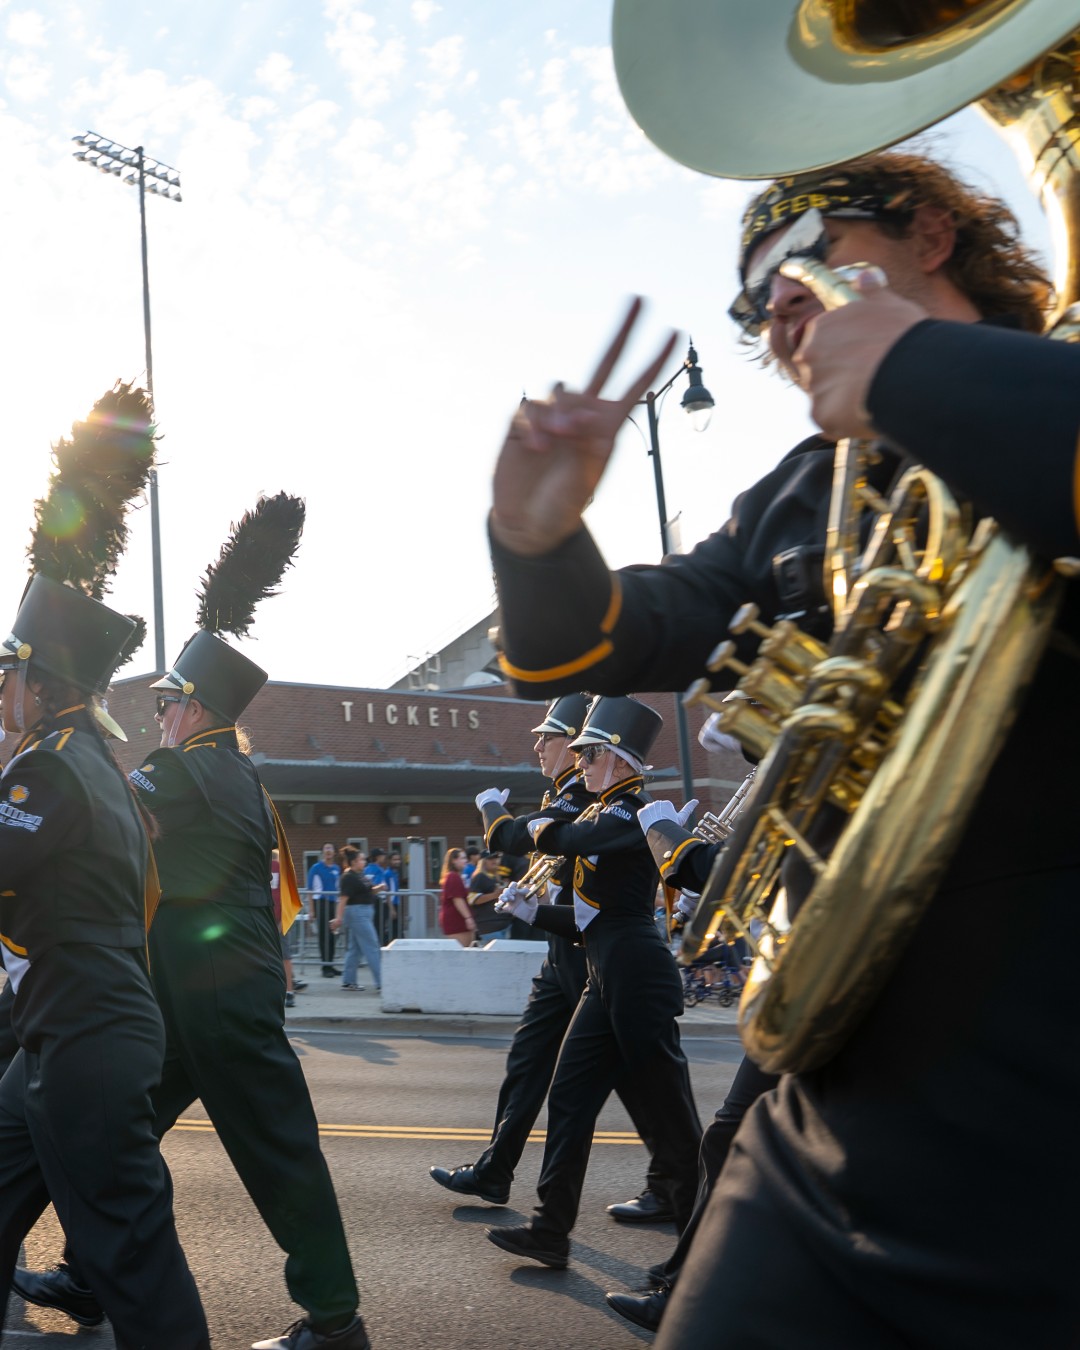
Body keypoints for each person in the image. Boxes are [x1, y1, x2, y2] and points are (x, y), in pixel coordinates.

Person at [487, 150, 1080, 1345]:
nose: (781, 306)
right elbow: (609, 637)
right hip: (840, 1094)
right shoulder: (810, 488)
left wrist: (917, 370)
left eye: (811, 255)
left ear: (929, 233)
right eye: (757, 301)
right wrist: (536, 536)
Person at [0, 575, 210, 1350]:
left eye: (8, 673)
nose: (0, 689)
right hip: (63, 1024)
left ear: (40, 683)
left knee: (133, 1257)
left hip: (85, 1029)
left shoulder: (51, 768)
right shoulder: (84, 760)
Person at [485, 696, 702, 1269]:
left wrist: (522, 823)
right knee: (569, 1097)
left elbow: (569, 841)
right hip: (604, 972)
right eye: (578, 752)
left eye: (589, 752)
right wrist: (534, 913)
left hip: (637, 974)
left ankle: (699, 1264)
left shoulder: (632, 811)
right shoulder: (601, 810)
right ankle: (549, 1230)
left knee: (672, 1123)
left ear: (620, 760)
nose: (579, 761)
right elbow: (587, 917)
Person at [332, 846, 382, 992]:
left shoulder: (360, 875)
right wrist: (338, 918)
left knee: (355, 949)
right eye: (361, 859)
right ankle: (382, 982)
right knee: (372, 946)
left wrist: (380, 888)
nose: (364, 861)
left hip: (363, 912)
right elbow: (343, 899)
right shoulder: (348, 877)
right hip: (357, 913)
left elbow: (370, 890)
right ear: (354, 861)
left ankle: (348, 981)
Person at [308, 843, 341, 977]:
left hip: (333, 904)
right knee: (324, 936)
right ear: (322, 852)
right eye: (325, 848)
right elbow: (310, 889)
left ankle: (330, 965)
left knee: (333, 935)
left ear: (334, 852)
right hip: (321, 903)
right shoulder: (316, 868)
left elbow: (338, 888)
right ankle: (325, 968)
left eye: (330, 848)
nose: (328, 850)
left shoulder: (337, 868)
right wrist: (311, 910)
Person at [466, 850, 511, 942]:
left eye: (496, 858)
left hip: (504, 925)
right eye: (490, 858)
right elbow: (472, 899)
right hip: (489, 926)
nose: (494, 861)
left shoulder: (496, 877)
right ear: (483, 862)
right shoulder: (479, 877)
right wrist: (495, 895)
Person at [438, 847, 476, 946]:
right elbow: (458, 900)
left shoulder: (456, 876)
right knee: (463, 951)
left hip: (459, 919)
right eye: (462, 858)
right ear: (454, 860)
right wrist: (468, 918)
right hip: (456, 920)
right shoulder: (453, 877)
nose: (466, 860)